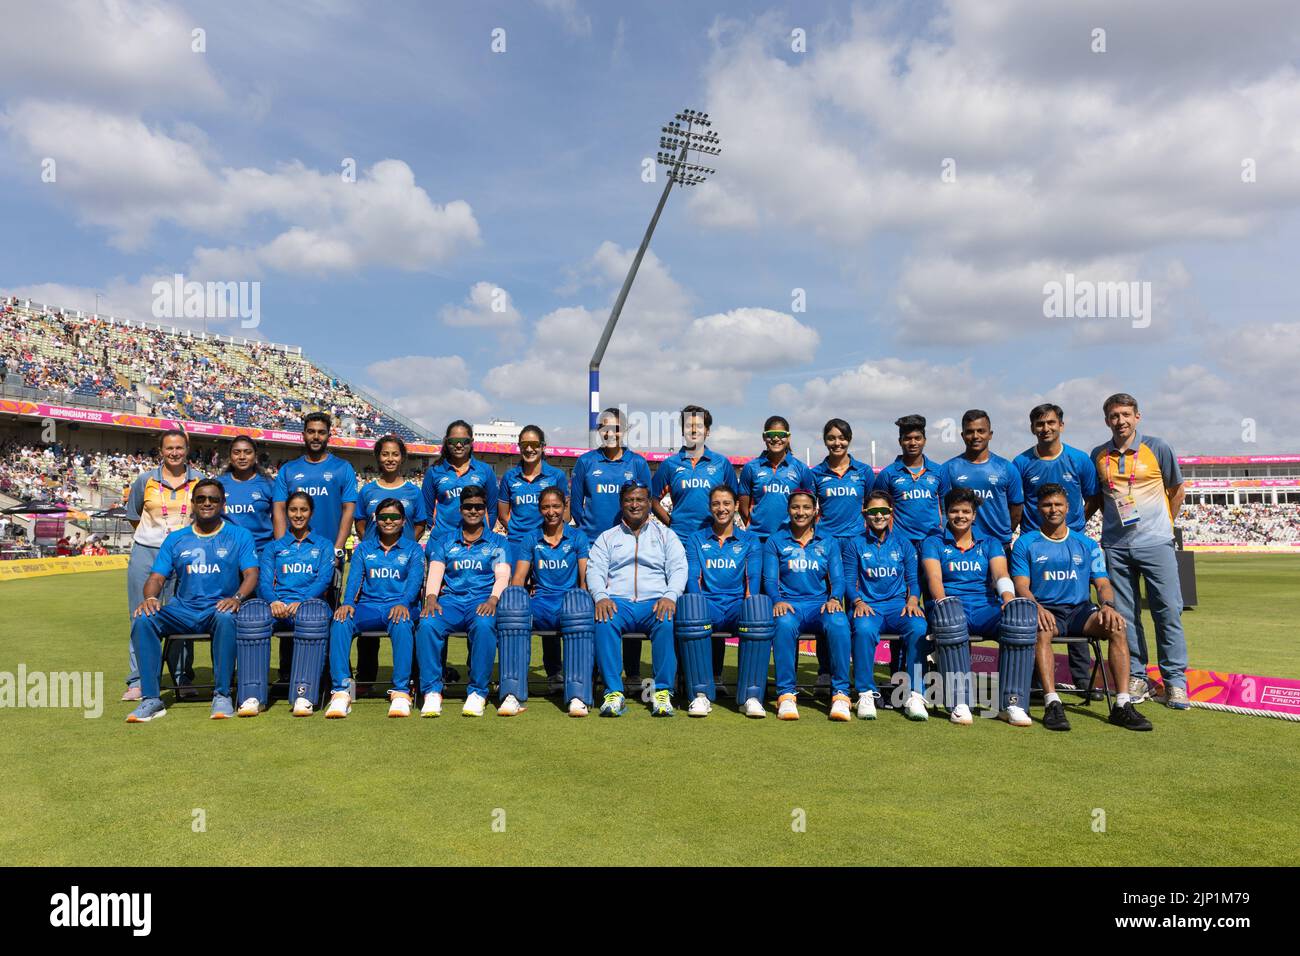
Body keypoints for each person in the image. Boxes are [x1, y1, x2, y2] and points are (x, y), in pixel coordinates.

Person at [1010, 484, 1152, 732]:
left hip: (1080, 612)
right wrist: (1036, 608)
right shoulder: (1025, 543)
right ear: (1037, 508)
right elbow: (1021, 586)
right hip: (1047, 610)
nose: (1052, 509)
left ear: (1068, 508)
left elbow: (1103, 583)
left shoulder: (1086, 544)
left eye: (1058, 504)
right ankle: (1052, 703)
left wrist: (1107, 605)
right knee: (1040, 630)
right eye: (1047, 505)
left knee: (1117, 626)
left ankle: (1122, 704)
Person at [125, 478, 259, 722]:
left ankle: (222, 695)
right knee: (144, 618)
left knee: (226, 617)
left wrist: (237, 598)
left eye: (213, 499)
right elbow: (156, 577)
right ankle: (152, 699)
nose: (207, 503)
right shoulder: (176, 538)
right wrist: (150, 597)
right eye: (201, 499)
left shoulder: (239, 535)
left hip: (218, 610)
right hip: (183, 611)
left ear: (223, 504)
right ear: (193, 504)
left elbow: (251, 574)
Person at [1087, 393, 1189, 710]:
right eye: (1115, 415)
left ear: (1137, 416)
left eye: (1126, 414)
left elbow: (1176, 490)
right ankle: (1136, 677)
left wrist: (1164, 527)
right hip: (1115, 547)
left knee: (1168, 612)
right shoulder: (1098, 454)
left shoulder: (1157, 448)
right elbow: (1098, 499)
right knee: (1126, 617)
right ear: (1107, 420)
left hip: (1156, 544)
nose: (1121, 421)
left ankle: (1175, 683)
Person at [920, 487, 1031, 727]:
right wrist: (943, 602)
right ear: (945, 513)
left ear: (974, 515)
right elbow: (934, 580)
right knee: (952, 618)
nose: (960, 516)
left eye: (965, 511)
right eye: (954, 511)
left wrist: (1008, 599)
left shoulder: (990, 542)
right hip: (950, 606)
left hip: (983, 606)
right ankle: (960, 702)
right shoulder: (933, 542)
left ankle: (1012, 703)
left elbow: (1000, 573)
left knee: (1019, 619)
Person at [1012, 403, 1101, 689]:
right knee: (1034, 607)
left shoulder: (1079, 459)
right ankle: (1037, 682)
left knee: (1077, 602)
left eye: (1051, 423)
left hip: (1071, 544)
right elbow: (1016, 501)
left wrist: (1073, 530)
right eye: (1040, 424)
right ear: (1032, 428)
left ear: (1061, 425)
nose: (1046, 428)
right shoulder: (1021, 463)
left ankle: (1082, 678)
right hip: (1033, 543)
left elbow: (1094, 497)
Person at [587, 481, 688, 717]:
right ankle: (614, 693)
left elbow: (679, 569)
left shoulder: (666, 535)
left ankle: (662, 692)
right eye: (629, 500)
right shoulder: (607, 537)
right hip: (618, 602)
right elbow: (594, 570)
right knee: (604, 620)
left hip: (655, 601)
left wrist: (670, 596)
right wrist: (601, 596)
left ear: (649, 503)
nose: (635, 505)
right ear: (621, 504)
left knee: (665, 620)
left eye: (640, 499)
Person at [271, 412, 357, 687]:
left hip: (328, 553)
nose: (316, 436)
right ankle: (289, 671)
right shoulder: (288, 470)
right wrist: (283, 547)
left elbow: (348, 510)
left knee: (329, 610)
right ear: (303, 434)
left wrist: (337, 547)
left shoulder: (343, 468)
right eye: (311, 431)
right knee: (289, 604)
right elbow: (279, 510)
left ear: (328, 435)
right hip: (293, 553)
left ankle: (328, 671)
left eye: (321, 431)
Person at [569, 406, 652, 689]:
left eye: (615, 427)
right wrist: (591, 532)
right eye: (604, 427)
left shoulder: (637, 463)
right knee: (597, 605)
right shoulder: (585, 462)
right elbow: (576, 504)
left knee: (629, 600)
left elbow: (645, 504)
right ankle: (594, 669)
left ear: (624, 431)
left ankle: (633, 671)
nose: (610, 432)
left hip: (629, 543)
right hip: (593, 544)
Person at [414, 485, 511, 717]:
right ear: (461, 509)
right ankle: (432, 691)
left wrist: (493, 599)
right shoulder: (445, 541)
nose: (473, 511)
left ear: (485, 510)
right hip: (451, 602)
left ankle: (477, 691)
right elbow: (436, 572)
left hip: (482, 601)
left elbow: (503, 575)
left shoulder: (498, 542)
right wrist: (430, 598)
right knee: (427, 624)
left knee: (485, 626)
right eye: (468, 506)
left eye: (478, 507)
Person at [121, 428, 203, 702]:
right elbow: (134, 516)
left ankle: (182, 677)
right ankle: (139, 680)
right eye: (169, 448)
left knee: (182, 616)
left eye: (179, 448)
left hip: (184, 556)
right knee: (141, 615)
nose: (175, 453)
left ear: (187, 450)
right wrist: (154, 539)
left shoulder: (199, 481)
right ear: (161, 451)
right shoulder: (145, 480)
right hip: (147, 553)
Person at [325, 499, 426, 719]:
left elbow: (415, 581)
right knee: (341, 622)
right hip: (369, 607)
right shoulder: (364, 549)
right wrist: (348, 603)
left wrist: (405, 602)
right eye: (383, 517)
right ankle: (342, 692)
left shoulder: (414, 549)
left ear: (403, 521)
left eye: (394, 517)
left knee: (401, 622)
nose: (388, 521)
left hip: (401, 606)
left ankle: (400, 692)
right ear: (375, 519)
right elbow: (354, 579)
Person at [244, 491, 336, 717]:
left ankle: (303, 695)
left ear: (311, 513)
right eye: (293, 510)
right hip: (278, 605)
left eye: (303, 510)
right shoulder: (273, 547)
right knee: (252, 618)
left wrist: (303, 601)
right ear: (286, 513)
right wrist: (274, 600)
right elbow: (264, 581)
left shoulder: (324, 545)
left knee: (310, 617)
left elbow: (324, 580)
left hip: (312, 605)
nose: (298, 514)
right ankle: (252, 695)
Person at [763, 490, 852, 721]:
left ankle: (841, 694)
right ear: (788, 510)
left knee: (840, 622)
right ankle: (786, 695)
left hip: (819, 605)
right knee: (782, 625)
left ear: (815, 512)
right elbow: (770, 580)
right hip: (790, 605)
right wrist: (777, 600)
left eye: (805, 508)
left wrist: (834, 599)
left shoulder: (828, 541)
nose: (800, 512)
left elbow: (838, 579)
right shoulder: (775, 540)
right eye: (795, 507)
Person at [844, 490, 929, 721]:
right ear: (865, 514)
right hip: (869, 606)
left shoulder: (904, 544)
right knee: (862, 630)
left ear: (891, 513)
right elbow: (849, 581)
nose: (878, 516)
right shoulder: (855, 544)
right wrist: (858, 601)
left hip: (897, 607)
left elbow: (913, 580)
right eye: (873, 512)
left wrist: (913, 600)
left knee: (919, 627)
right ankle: (865, 693)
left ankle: (915, 694)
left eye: (883, 511)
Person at [354, 434, 429, 693]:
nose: (390, 459)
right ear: (378, 457)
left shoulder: (412, 491)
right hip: (375, 561)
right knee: (369, 611)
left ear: (403, 458)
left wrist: (405, 546)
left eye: (395, 454)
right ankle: (365, 679)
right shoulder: (368, 490)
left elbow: (420, 523)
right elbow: (360, 521)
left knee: (408, 618)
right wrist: (373, 545)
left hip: (405, 562)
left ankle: (410, 678)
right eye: (385, 454)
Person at [682, 485, 765, 717]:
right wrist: (698, 606)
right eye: (716, 504)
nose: (722, 509)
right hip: (708, 605)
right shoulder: (696, 539)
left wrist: (749, 605)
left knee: (757, 612)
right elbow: (692, 577)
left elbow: (753, 578)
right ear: (710, 507)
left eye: (727, 503)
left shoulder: (750, 540)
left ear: (736, 506)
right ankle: (701, 695)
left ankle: (750, 696)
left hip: (737, 606)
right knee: (692, 610)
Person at [510, 486, 591, 714]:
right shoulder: (531, 538)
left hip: (569, 601)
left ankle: (577, 693)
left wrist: (584, 601)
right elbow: (518, 577)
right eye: (545, 507)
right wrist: (514, 601)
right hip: (541, 600)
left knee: (577, 617)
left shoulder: (577, 537)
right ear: (539, 509)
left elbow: (584, 579)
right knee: (514, 619)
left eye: (556, 506)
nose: (551, 511)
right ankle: (512, 690)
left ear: (565, 507)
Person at [811, 418, 874, 692]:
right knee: (831, 607)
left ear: (850, 439)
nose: (837, 443)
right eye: (831, 438)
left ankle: (858, 674)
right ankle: (827, 671)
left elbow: (875, 507)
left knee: (857, 606)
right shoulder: (815, 474)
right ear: (825, 440)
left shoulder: (864, 472)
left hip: (857, 546)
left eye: (842, 438)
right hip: (827, 547)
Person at [650, 404, 739, 546]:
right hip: (680, 540)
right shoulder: (669, 464)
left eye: (699, 425)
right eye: (688, 426)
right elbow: (652, 499)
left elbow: (735, 499)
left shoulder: (721, 463)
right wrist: (672, 523)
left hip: (714, 539)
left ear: (707, 431)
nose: (693, 430)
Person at [938, 410, 1023, 552]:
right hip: (961, 546)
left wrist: (1003, 534)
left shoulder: (1007, 468)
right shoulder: (948, 468)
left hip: (999, 544)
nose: (975, 436)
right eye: (970, 431)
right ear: (963, 435)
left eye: (981, 431)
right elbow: (943, 509)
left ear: (990, 435)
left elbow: (1016, 509)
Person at [497, 424, 569, 567]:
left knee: (544, 588)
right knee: (516, 587)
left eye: (534, 444)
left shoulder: (557, 476)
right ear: (519, 447)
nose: (529, 449)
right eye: (524, 445)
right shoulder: (509, 477)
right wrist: (517, 530)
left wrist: (552, 533)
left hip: (546, 542)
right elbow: (503, 515)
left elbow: (566, 512)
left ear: (543, 447)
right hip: (517, 542)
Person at [738, 415, 816, 541]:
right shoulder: (751, 468)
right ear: (764, 437)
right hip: (758, 537)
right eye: (770, 434)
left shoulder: (801, 469)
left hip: (789, 537)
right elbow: (743, 507)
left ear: (788, 437)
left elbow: (810, 505)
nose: (775, 438)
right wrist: (757, 525)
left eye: (780, 434)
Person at [421, 420, 499, 540]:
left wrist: (482, 533)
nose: (458, 445)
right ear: (447, 442)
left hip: (476, 542)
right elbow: (427, 510)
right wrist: (438, 531)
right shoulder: (434, 471)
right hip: (442, 540)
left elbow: (493, 509)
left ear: (471, 442)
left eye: (464, 441)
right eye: (453, 441)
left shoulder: (485, 470)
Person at [217, 436, 275, 555]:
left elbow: (278, 518)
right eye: (236, 452)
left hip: (261, 552)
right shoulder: (218, 484)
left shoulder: (269, 484)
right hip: (226, 551)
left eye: (248, 452)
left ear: (255, 456)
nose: (242, 457)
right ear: (230, 456)